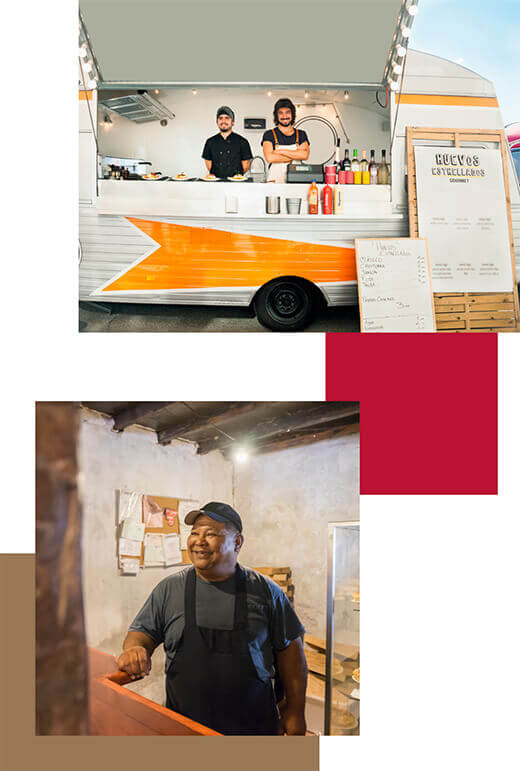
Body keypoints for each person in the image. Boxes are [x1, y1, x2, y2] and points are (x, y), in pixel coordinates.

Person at [117, 501, 308, 736]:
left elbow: (290, 651)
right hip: (184, 728)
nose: (199, 541)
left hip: (253, 728)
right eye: (195, 533)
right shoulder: (169, 589)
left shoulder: (266, 591)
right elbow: (141, 634)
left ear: (237, 542)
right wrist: (135, 649)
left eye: (210, 534)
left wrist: (296, 711)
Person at [262, 98, 310, 183]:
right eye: (281, 113)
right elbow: (270, 158)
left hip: (297, 179)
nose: (284, 116)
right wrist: (294, 155)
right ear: (276, 115)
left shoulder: (301, 134)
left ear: (292, 114)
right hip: (275, 180)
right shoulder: (269, 134)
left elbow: (304, 155)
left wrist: (280, 151)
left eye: (287, 112)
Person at [202, 107, 253, 179]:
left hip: (236, 184)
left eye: (227, 118)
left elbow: (246, 166)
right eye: (220, 118)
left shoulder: (242, 141)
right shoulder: (210, 142)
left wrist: (236, 178)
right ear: (217, 122)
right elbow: (209, 165)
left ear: (233, 122)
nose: (223, 121)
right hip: (216, 183)